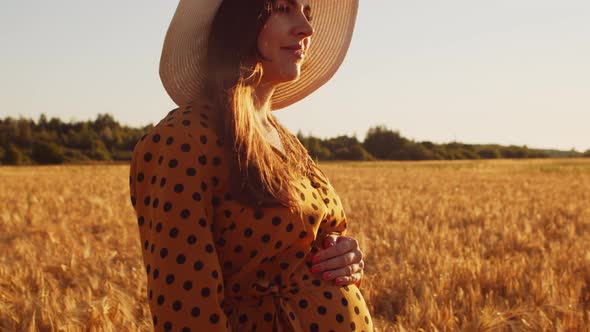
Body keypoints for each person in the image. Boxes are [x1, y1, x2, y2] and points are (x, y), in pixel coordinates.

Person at [128, 0, 373, 330]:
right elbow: (185, 311)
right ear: (238, 20)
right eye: (283, 8)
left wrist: (346, 260)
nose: (306, 29)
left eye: (308, 12)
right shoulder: (181, 142)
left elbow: (308, 247)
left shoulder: (283, 138)